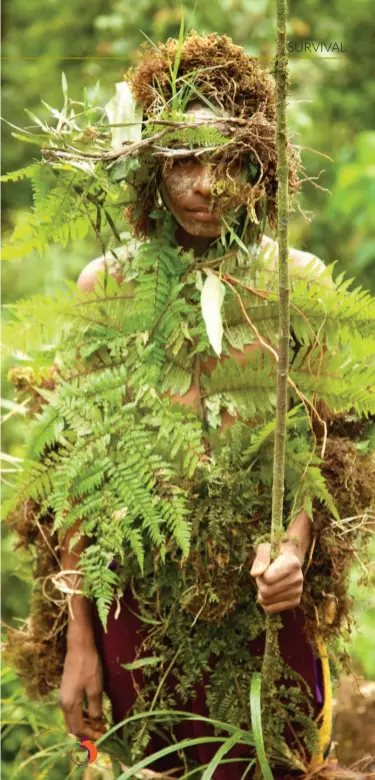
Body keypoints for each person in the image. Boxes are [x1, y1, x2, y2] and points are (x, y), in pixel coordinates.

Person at [57, 33, 334, 778]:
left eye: (227, 160)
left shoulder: (294, 285)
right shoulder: (105, 288)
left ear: (259, 165)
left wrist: (294, 548)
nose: (206, 185)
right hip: (140, 601)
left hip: (265, 606)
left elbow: (317, 447)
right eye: (182, 160)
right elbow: (81, 474)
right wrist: (79, 641)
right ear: (149, 171)